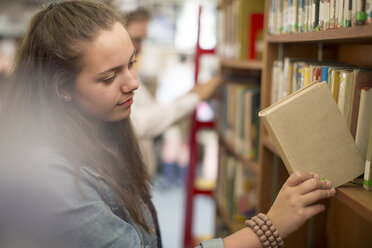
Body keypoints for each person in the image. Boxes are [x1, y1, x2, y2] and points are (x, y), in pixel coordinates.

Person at [0, 1, 335, 248]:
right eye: (108, 77)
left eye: (131, 64)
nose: (132, 83)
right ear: (61, 89)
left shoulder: (99, 128)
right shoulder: (53, 179)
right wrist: (269, 228)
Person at [113, 3, 222, 177]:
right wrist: (194, 97)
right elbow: (142, 124)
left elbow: (153, 110)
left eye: (143, 39)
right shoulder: (116, 78)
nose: (140, 47)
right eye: (136, 39)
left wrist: (193, 95)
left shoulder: (130, 74)